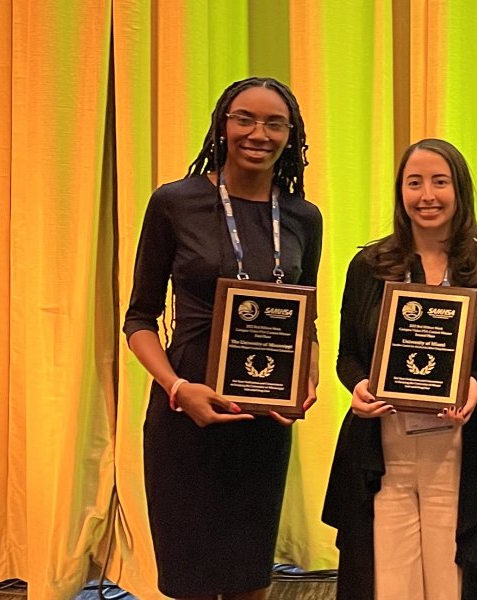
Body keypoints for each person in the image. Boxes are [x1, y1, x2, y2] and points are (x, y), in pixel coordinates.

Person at [123, 77, 323, 600]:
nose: (259, 133)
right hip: (183, 414)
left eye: (274, 122)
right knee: (189, 580)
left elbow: (308, 318)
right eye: (245, 119)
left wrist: (308, 375)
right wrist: (176, 388)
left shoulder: (303, 216)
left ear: (291, 135)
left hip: (263, 420)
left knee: (249, 577)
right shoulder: (175, 202)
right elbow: (139, 320)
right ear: (222, 125)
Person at [322, 138, 477, 600]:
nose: (427, 195)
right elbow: (346, 356)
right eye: (414, 183)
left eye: (439, 182)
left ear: (460, 191)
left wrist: (476, 385)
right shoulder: (369, 266)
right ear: (400, 192)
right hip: (381, 443)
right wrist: (360, 386)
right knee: (389, 579)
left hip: (458, 444)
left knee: (453, 579)